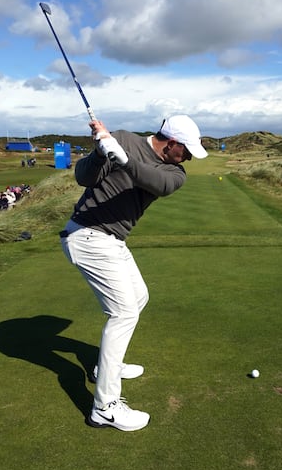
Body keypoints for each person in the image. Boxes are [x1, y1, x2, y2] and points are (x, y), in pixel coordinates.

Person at [60, 115, 208, 432]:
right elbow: (83, 178)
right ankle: (105, 407)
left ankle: (106, 368)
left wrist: (122, 159)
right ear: (172, 144)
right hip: (87, 236)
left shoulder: (174, 172)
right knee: (123, 314)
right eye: (188, 151)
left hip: (112, 240)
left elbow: (156, 182)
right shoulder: (124, 138)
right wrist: (100, 152)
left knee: (139, 298)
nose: (191, 158)